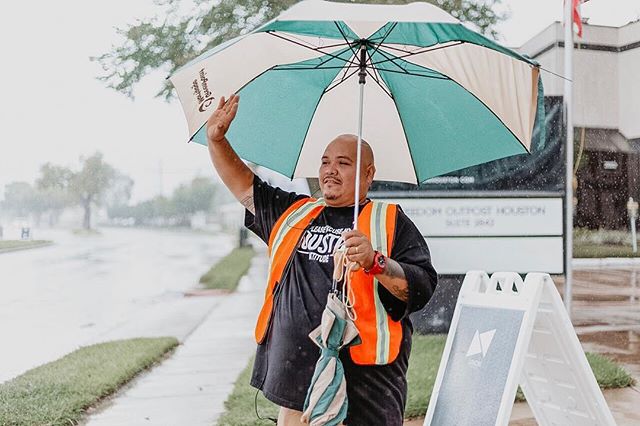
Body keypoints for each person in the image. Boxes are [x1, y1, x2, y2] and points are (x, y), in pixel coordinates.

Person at [206, 94, 438, 426]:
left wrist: (375, 261)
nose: (330, 169)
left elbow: (421, 287)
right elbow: (243, 184)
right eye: (325, 161)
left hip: (367, 383)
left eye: (344, 162)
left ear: (368, 173)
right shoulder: (294, 213)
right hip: (296, 377)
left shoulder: (388, 220)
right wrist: (217, 141)